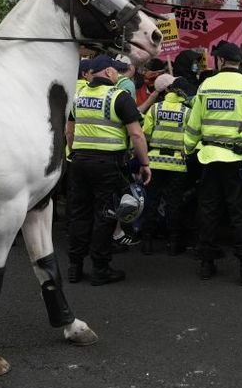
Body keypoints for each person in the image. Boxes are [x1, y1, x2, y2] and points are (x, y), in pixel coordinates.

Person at [184, 40, 242, 286]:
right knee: (239, 213)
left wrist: (188, 148)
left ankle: (207, 263)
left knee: (208, 210)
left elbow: (194, 125)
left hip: (208, 158)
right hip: (238, 160)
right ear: (239, 62)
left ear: (220, 61)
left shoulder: (206, 85)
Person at [66, 55, 152, 286]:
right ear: (107, 72)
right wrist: (144, 164)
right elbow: (136, 134)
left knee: (79, 214)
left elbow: (69, 131)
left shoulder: (79, 96)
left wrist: (75, 152)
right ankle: (100, 269)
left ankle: (74, 267)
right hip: (107, 164)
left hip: (80, 162)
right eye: (116, 70)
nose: (119, 74)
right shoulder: (119, 97)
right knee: (105, 215)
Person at [140, 74, 195, 255]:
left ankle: (147, 242)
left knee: (152, 201)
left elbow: (145, 133)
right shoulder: (187, 112)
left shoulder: (155, 109)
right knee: (174, 203)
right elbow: (191, 138)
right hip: (177, 164)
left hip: (154, 161)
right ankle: (173, 243)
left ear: (169, 91)